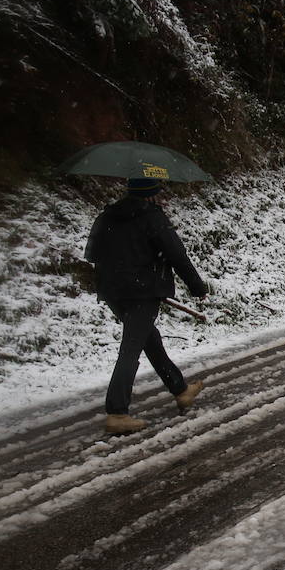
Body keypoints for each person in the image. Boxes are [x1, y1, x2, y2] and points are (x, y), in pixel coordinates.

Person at [84, 176, 209, 434]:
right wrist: (197, 286)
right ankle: (117, 412)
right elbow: (176, 254)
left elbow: (92, 253)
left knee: (149, 341)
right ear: (152, 195)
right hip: (143, 291)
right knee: (131, 348)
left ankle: (181, 390)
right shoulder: (153, 217)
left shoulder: (108, 216)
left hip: (113, 292)